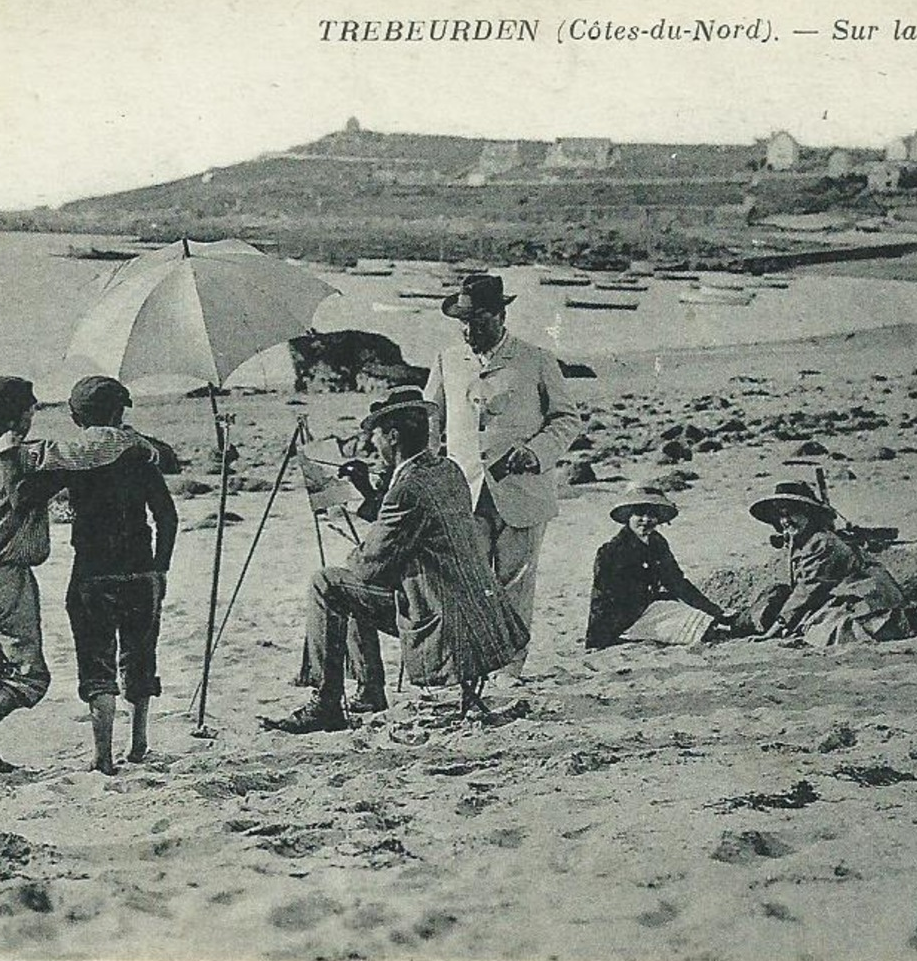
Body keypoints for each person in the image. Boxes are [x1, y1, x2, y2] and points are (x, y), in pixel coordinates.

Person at [265, 387, 528, 733]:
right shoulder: (448, 470)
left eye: (374, 435)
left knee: (328, 583)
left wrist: (355, 535)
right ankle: (369, 691)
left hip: (441, 621)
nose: (371, 444)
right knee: (350, 586)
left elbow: (368, 567)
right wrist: (369, 491)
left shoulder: (406, 490)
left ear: (393, 435)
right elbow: (412, 523)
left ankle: (327, 703)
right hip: (476, 612)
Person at [0, 375, 158, 776]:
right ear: (23, 415)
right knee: (30, 679)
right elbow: (96, 445)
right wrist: (140, 443)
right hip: (5, 580)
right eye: (32, 407)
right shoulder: (32, 454)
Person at [426, 273, 582, 676]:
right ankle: (477, 663)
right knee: (470, 582)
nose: (467, 330)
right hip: (464, 493)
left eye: (477, 320)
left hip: (523, 493)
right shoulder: (446, 360)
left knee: (515, 583)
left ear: (500, 316)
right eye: (462, 321)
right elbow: (429, 422)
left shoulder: (536, 359)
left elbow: (566, 419)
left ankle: (510, 669)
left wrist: (535, 452)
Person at [25, 376, 178, 774]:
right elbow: (167, 516)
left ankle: (103, 756)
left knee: (97, 665)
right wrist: (161, 568)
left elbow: (27, 495)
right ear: (120, 412)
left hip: (92, 573)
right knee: (140, 657)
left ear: (76, 417)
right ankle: (140, 742)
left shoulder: (75, 461)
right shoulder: (139, 456)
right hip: (141, 572)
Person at [746, 480, 910, 647]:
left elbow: (806, 591)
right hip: (843, 597)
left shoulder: (823, 543)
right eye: (781, 515)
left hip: (869, 602)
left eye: (791, 514)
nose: (785, 521)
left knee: (829, 628)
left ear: (808, 513)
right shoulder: (803, 542)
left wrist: (771, 633)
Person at [586, 486, 732, 649]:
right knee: (697, 628)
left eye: (651, 515)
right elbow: (605, 596)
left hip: (650, 609)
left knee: (704, 620)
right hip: (620, 620)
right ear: (628, 517)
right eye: (639, 515)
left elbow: (677, 582)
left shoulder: (657, 543)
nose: (646, 520)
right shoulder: (611, 551)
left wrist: (714, 610)